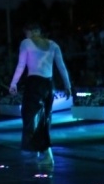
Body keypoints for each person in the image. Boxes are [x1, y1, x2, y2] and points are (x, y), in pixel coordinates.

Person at [9, 22, 71, 166]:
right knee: (44, 119)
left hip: (34, 84)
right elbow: (61, 66)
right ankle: (40, 151)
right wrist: (67, 85)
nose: (26, 35)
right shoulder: (53, 45)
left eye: (26, 32)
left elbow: (21, 65)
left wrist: (13, 83)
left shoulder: (26, 43)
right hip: (48, 85)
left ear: (31, 31)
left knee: (32, 118)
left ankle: (46, 153)